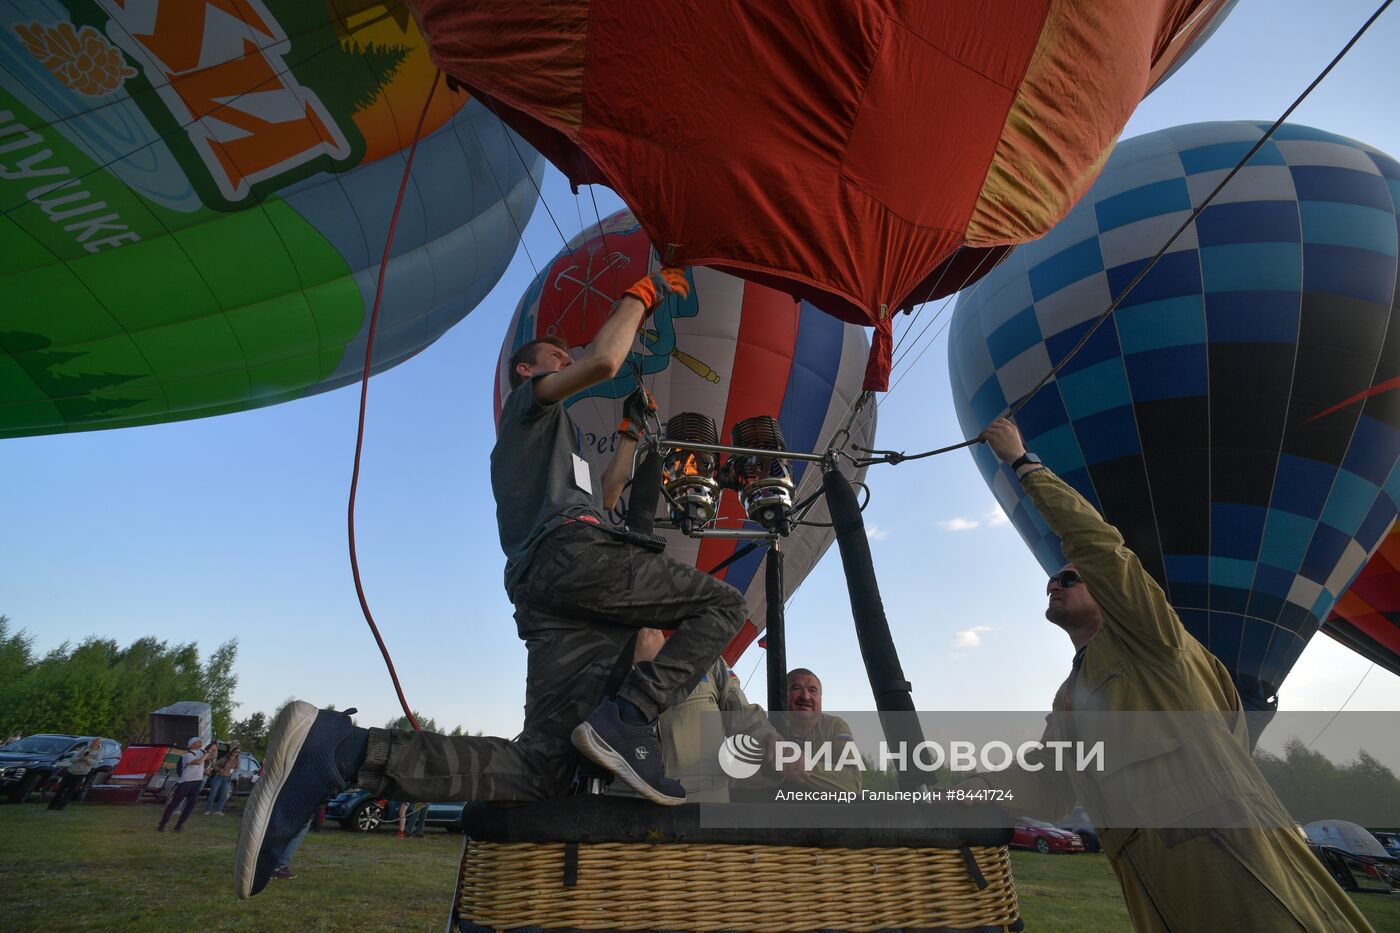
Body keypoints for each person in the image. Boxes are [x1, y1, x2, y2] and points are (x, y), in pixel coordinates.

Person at [236, 268, 748, 898]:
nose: (565, 361)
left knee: (540, 771)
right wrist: (641, 296)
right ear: (525, 373)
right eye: (554, 357)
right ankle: (633, 716)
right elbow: (606, 358)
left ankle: (342, 752)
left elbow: (610, 492)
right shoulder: (528, 410)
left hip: (556, 590)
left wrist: (630, 435)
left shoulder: (560, 452)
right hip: (573, 559)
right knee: (723, 603)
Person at [956, 417, 1371, 932]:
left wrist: (1023, 463)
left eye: (1067, 577)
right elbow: (1049, 781)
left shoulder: (1152, 641)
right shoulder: (1070, 696)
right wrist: (974, 787)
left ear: (1109, 594)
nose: (1053, 585)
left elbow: (1101, 550)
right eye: (1049, 583)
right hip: (1151, 883)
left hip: (1235, 856)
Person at [617, 628, 778, 803]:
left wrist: (767, 739)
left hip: (701, 806)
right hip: (627, 807)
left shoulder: (705, 658)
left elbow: (743, 715)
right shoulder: (603, 663)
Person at [157, 736, 217, 833]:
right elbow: (198, 762)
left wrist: (214, 748)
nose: (199, 742)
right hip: (186, 782)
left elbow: (212, 757)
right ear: (192, 744)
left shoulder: (202, 752)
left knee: (190, 804)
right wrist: (209, 751)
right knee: (174, 804)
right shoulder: (188, 755)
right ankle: (162, 824)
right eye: (197, 741)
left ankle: (179, 825)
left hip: (197, 782)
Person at [48, 737, 101, 811]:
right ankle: (52, 806)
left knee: (71, 790)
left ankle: (61, 806)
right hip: (71, 770)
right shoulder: (84, 748)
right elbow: (72, 759)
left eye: (95, 742)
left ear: (99, 743)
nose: (93, 743)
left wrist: (87, 760)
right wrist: (79, 758)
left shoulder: (99, 752)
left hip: (82, 773)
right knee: (61, 788)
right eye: (93, 741)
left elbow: (95, 763)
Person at [203, 742, 238, 815]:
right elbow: (215, 765)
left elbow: (237, 769)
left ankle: (218, 811)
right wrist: (220, 770)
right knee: (213, 793)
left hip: (227, 779)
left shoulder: (237, 761)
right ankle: (207, 810)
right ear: (232, 752)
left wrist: (233, 770)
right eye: (236, 752)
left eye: (238, 752)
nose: (237, 753)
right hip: (219, 777)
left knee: (224, 795)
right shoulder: (225, 759)